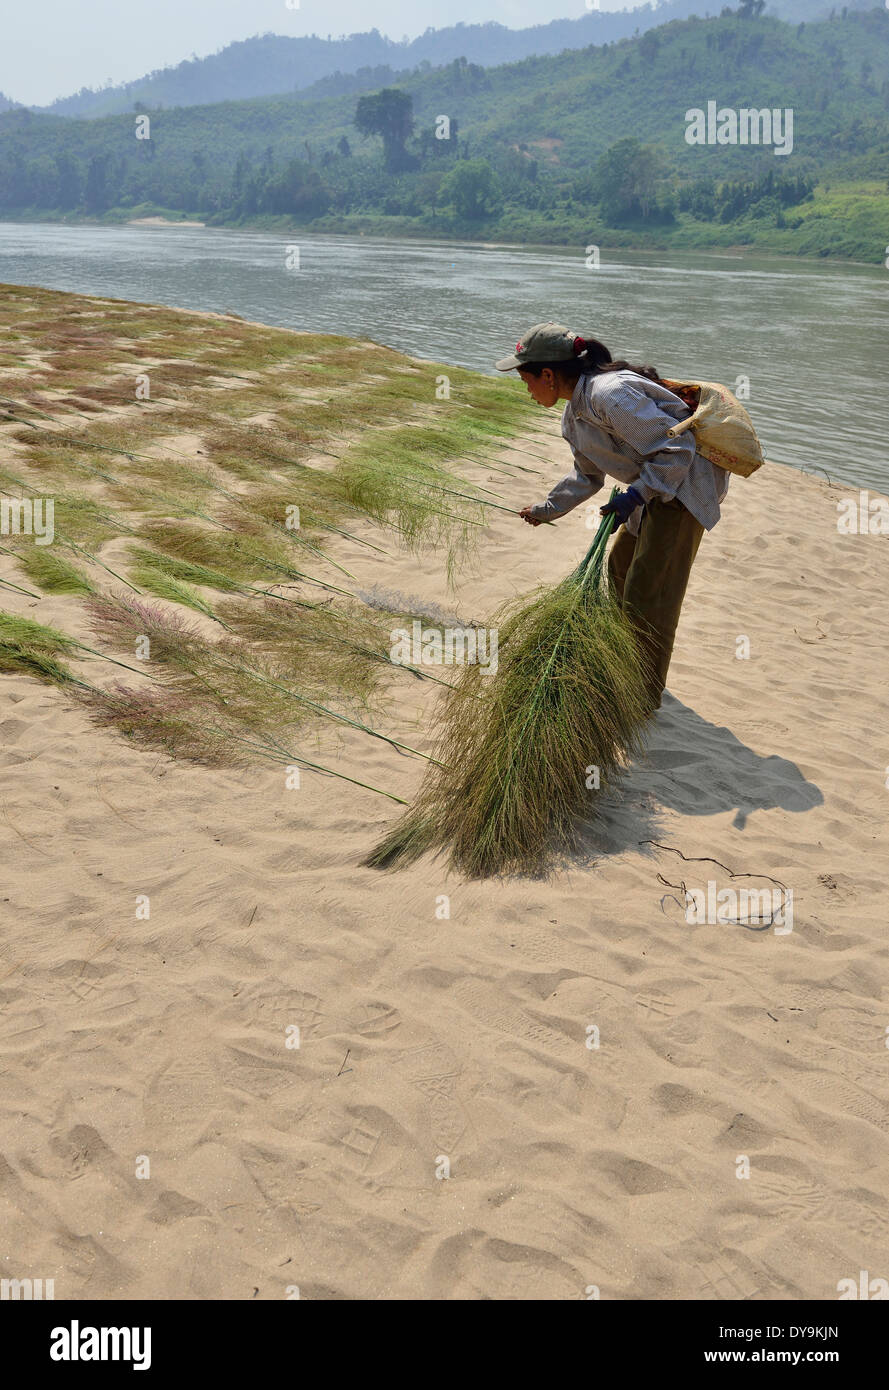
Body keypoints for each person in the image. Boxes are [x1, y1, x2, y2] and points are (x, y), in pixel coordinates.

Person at [495, 322, 730, 715]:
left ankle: (639, 698)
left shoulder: (610, 394)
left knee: (649, 596)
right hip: (652, 490)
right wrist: (546, 510)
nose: (527, 390)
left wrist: (636, 495)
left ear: (548, 375)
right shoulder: (574, 416)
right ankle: (624, 671)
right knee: (620, 571)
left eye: (526, 379)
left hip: (683, 488)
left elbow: (677, 448)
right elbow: (587, 475)